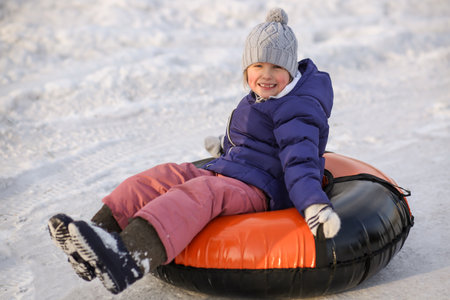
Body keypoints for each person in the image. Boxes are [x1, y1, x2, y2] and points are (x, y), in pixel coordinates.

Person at [48, 7, 341, 295]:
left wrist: (313, 204)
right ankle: (96, 237)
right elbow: (256, 140)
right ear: (246, 69)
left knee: (197, 194)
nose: (266, 75)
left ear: (289, 71)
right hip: (233, 169)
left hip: (261, 188)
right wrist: (225, 147)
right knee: (160, 177)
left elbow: (299, 158)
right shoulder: (260, 97)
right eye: (258, 66)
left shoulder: (297, 110)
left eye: (276, 67)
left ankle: (129, 257)